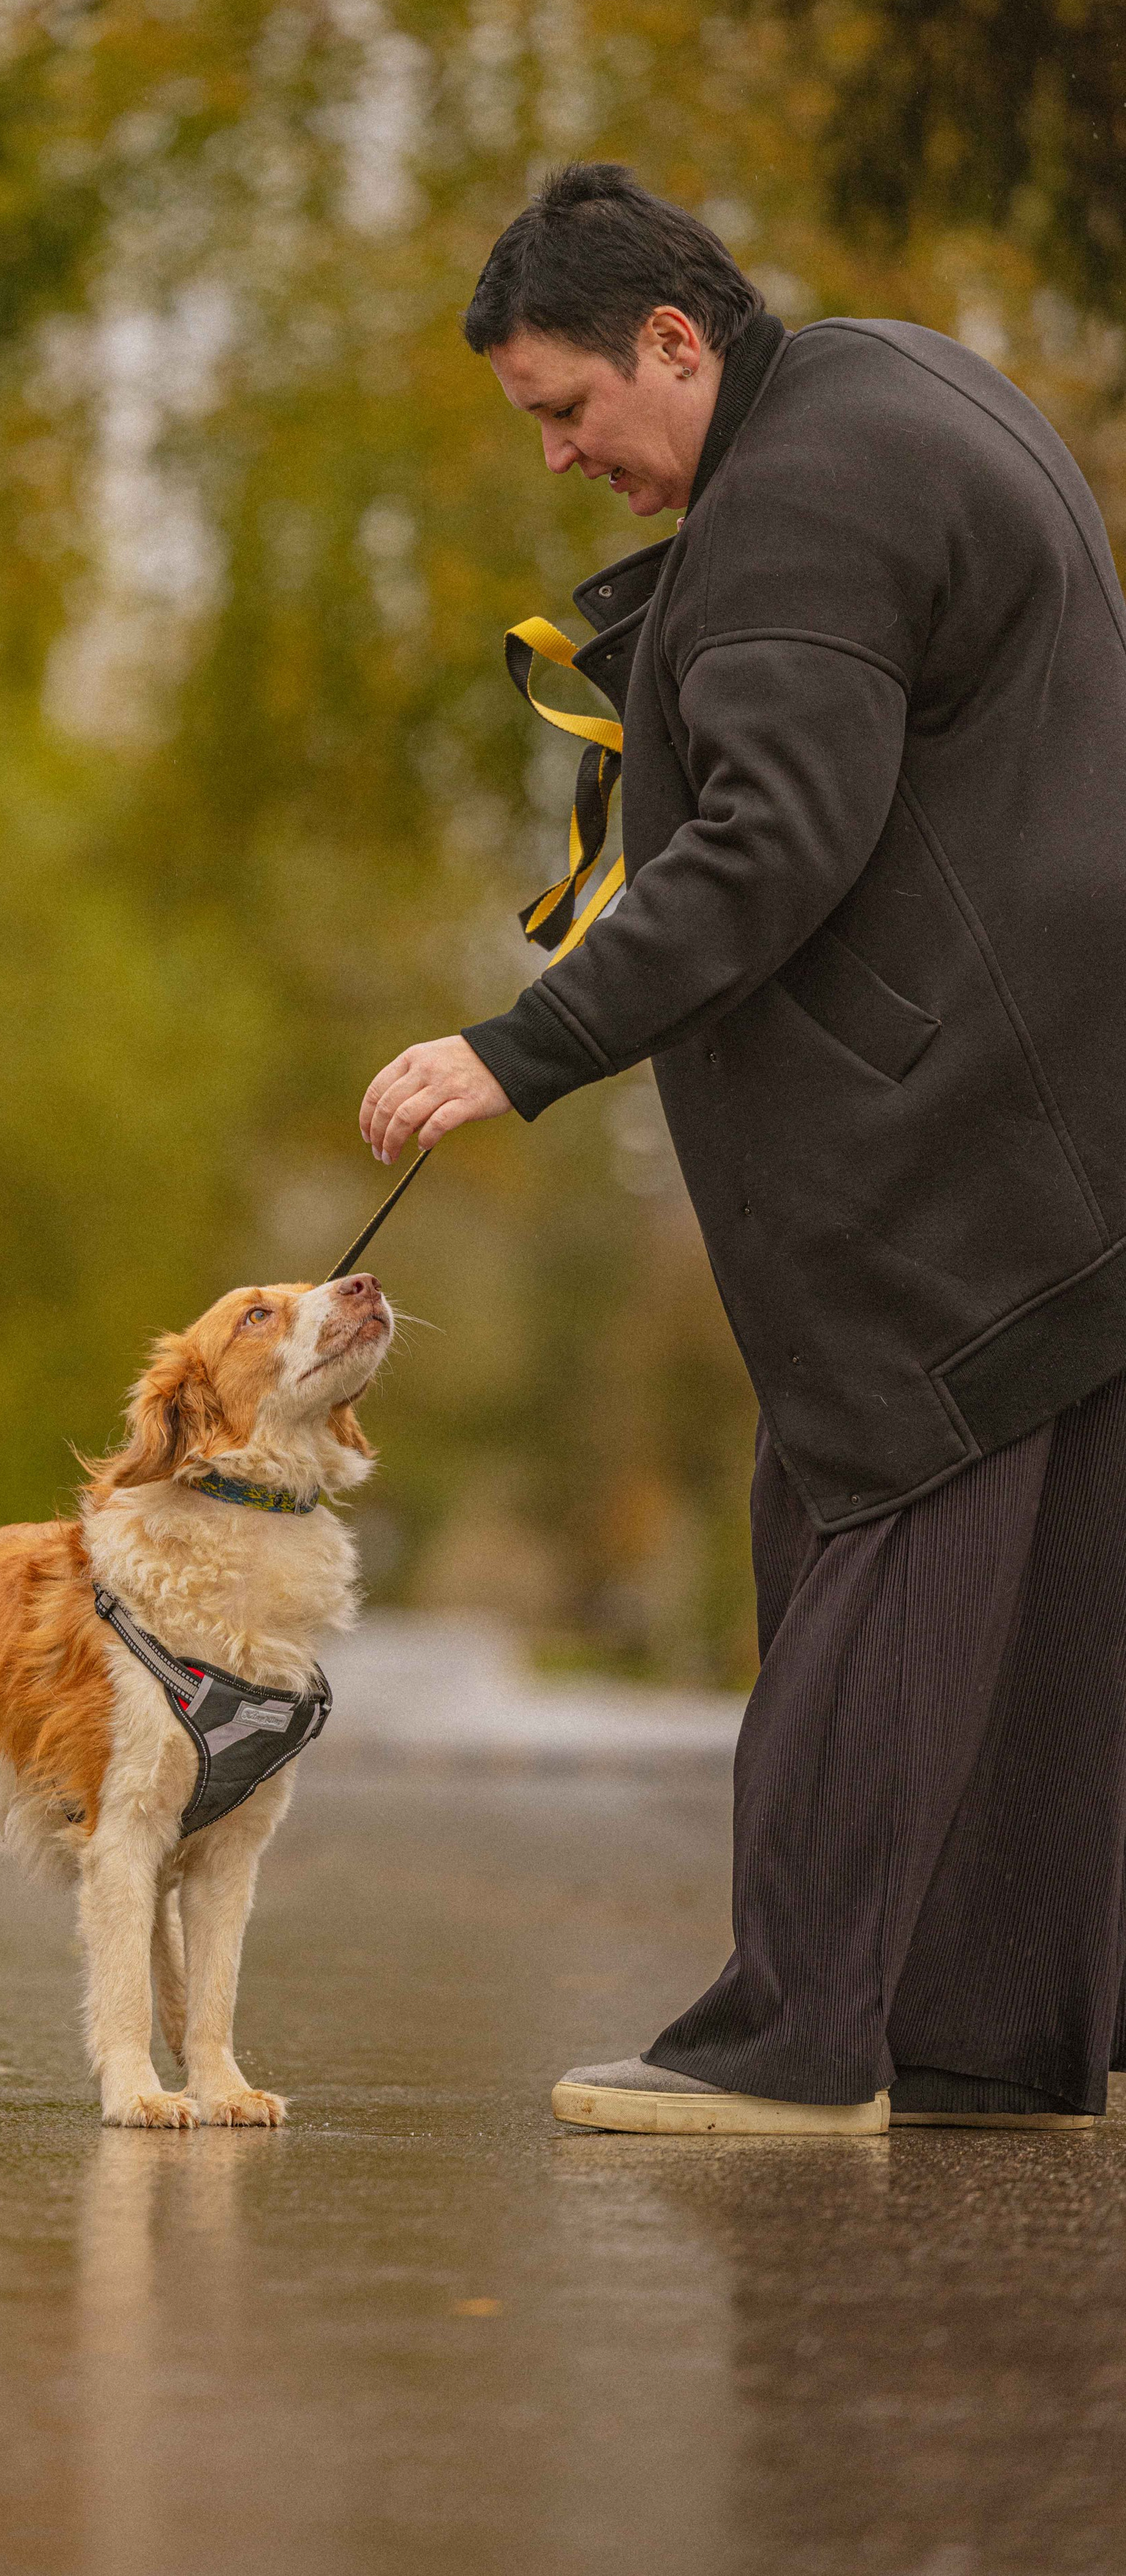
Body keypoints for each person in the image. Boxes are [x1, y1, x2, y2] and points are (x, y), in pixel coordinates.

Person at [360, 161, 1126, 2136]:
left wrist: (519, 1050)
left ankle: (796, 2045)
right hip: (1057, 1131)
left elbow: (771, 845)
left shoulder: (798, 502)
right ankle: (980, 2038)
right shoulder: (891, 389)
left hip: (950, 1153)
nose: (560, 457)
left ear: (676, 343)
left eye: (566, 407)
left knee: (875, 1527)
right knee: (1028, 1601)